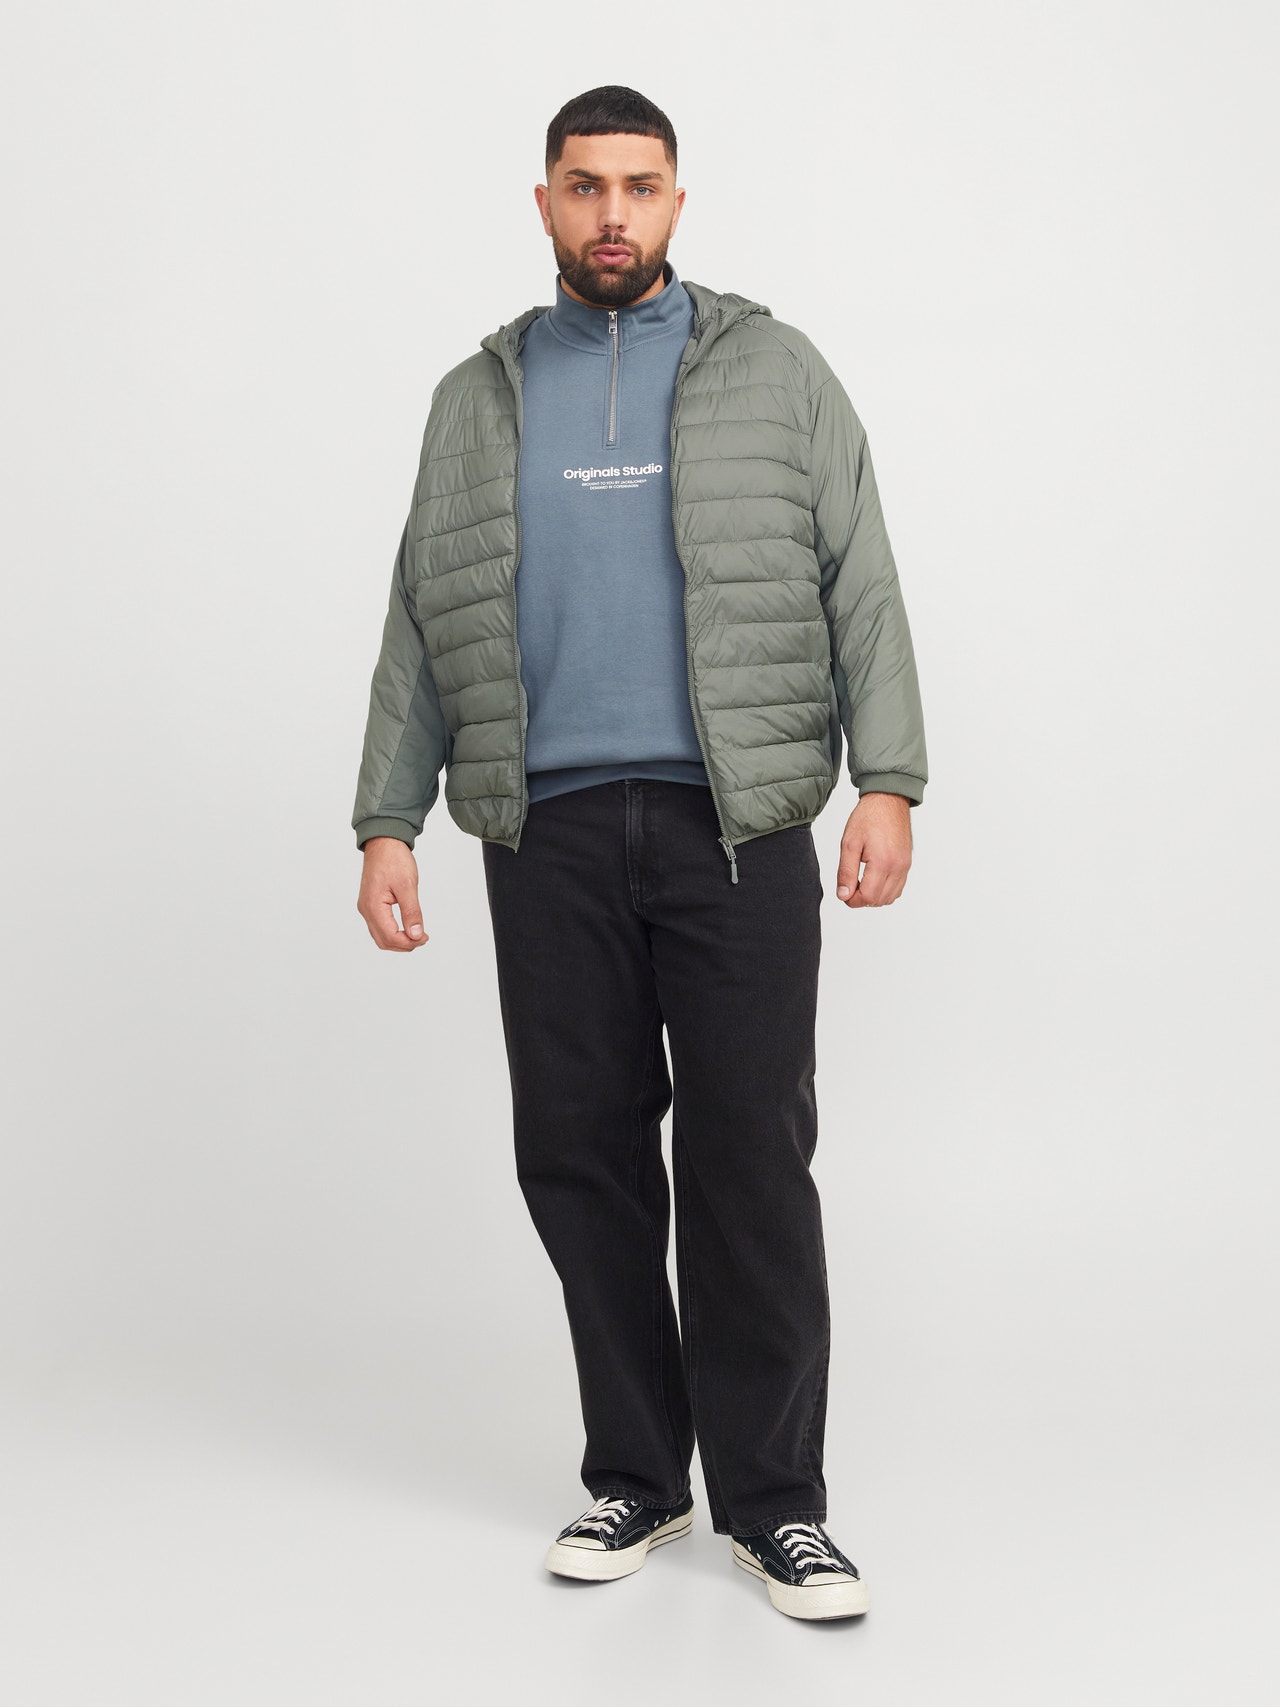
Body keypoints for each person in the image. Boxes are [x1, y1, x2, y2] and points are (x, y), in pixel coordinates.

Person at [351, 85, 928, 1623]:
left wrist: (889, 781)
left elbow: (861, 579)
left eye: (642, 185)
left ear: (679, 201)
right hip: (542, 831)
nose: (615, 211)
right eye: (587, 184)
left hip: (733, 826)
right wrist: (386, 819)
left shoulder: (777, 372)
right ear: (544, 201)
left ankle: (778, 1506)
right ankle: (637, 1475)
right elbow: (421, 614)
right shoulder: (477, 396)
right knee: (583, 1155)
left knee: (749, 1159)